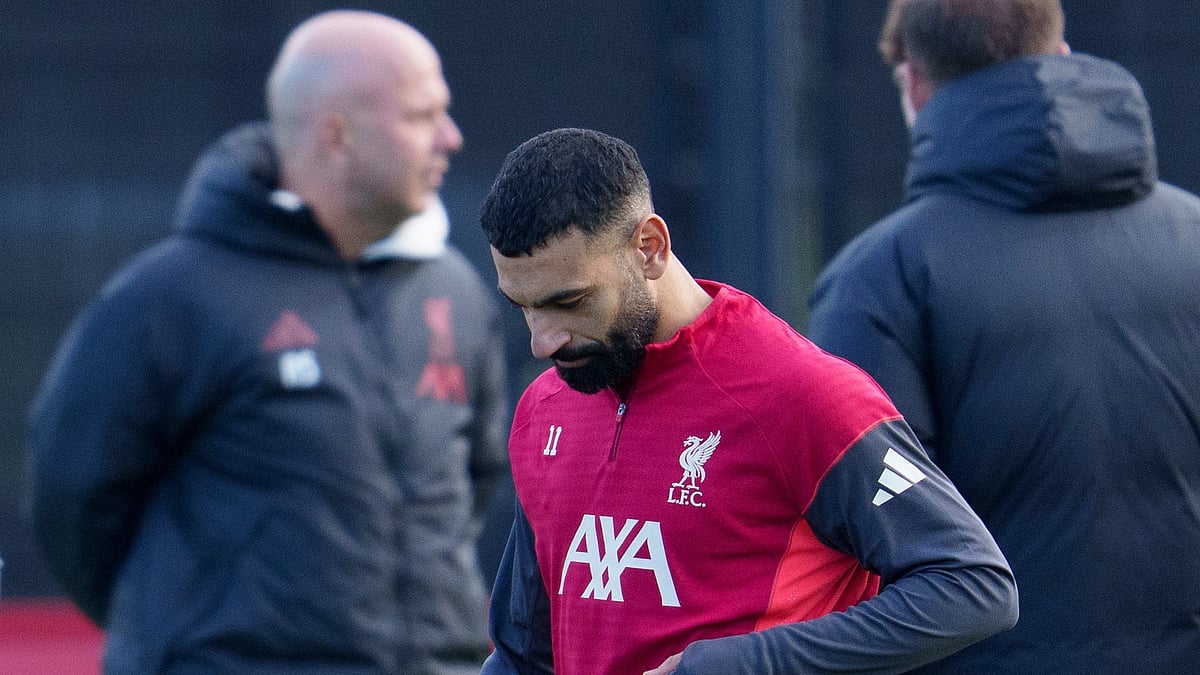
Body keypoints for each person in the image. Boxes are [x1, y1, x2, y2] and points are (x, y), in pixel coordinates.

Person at [27, 10, 509, 673]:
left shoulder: (455, 289)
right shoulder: (168, 298)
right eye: (423, 116)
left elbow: (474, 481)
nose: (450, 137)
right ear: (337, 135)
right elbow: (73, 500)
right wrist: (180, 632)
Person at [477, 127, 1017, 674]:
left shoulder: (803, 393)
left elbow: (972, 585)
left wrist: (739, 665)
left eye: (569, 302)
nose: (543, 342)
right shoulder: (547, 405)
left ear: (650, 248)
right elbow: (525, 655)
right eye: (523, 306)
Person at [807, 1, 1200, 672]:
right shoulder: (1192, 235)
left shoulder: (880, 280)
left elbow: (862, 562)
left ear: (913, 85)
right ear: (1065, 54)